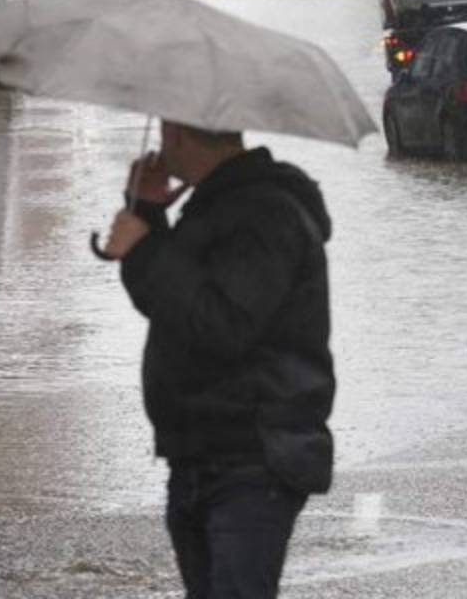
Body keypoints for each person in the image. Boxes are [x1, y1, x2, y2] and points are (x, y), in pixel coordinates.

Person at [101, 120, 335, 599]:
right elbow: (178, 306)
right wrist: (147, 213)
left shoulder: (267, 213)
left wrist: (145, 244)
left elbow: (222, 323)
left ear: (176, 134)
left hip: (253, 455)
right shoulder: (217, 203)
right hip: (200, 452)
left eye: (165, 135)